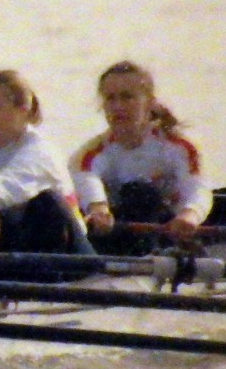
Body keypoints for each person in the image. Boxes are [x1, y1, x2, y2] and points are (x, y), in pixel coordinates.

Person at [69, 60, 213, 254]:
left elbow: (197, 187)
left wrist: (190, 215)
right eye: (111, 99)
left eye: (127, 97)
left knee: (144, 194)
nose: (118, 106)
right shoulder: (90, 153)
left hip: (171, 228)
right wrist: (98, 210)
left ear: (150, 102)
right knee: (138, 193)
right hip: (118, 231)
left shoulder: (180, 146)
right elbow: (87, 181)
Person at [0, 71, 95, 258]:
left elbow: (2, 190)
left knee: (46, 202)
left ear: (23, 110)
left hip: (70, 254)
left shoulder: (41, 152)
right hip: (18, 244)